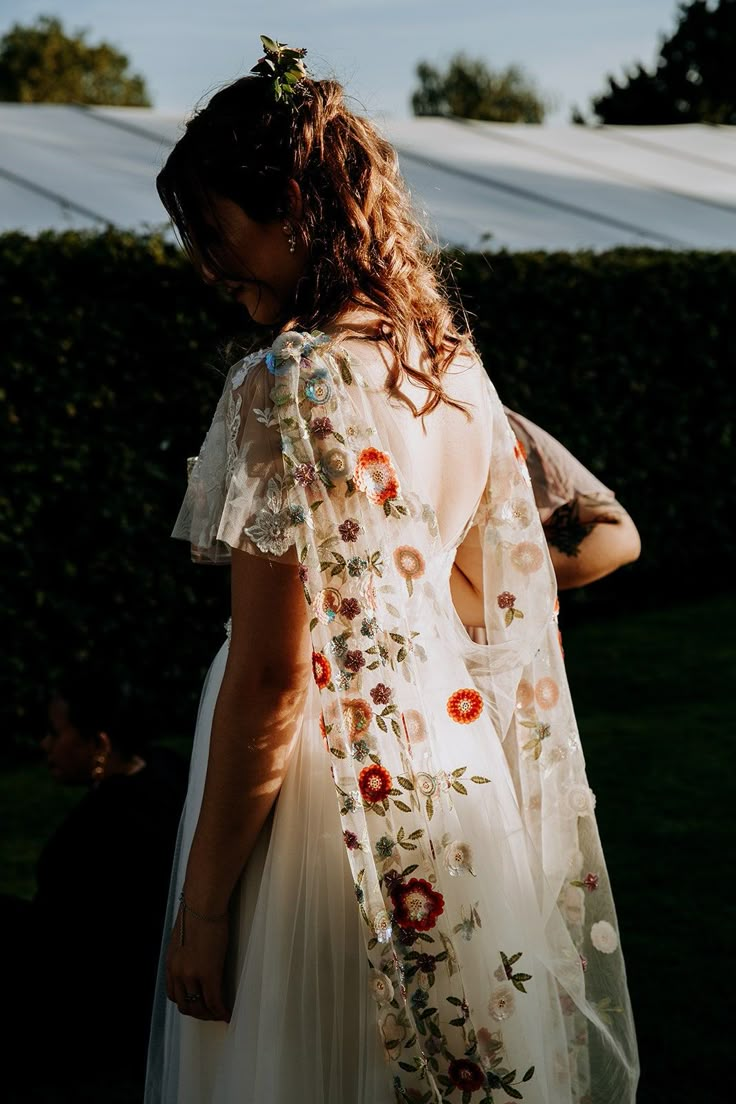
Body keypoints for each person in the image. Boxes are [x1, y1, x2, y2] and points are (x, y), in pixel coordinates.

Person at [145, 36, 640, 1104]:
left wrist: (207, 904)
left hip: (319, 800)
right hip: (448, 769)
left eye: (213, 229)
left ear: (288, 206)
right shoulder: (453, 369)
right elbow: (484, 594)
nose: (206, 261)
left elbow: (275, 677)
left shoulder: (285, 383)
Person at [5, 669, 188, 1101]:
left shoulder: (91, 836)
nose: (45, 745)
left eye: (55, 733)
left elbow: (54, 945)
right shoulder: (167, 770)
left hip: (107, 1010)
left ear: (100, 744)